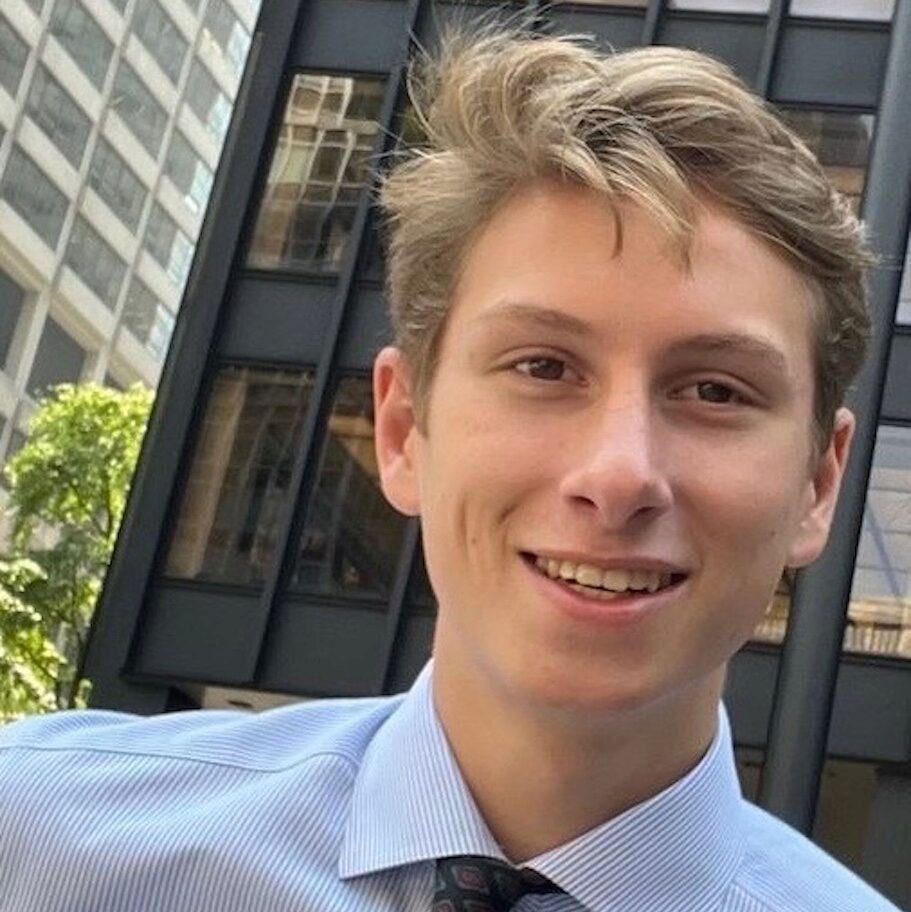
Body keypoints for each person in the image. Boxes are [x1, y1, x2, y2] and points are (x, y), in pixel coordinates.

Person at [0, 26, 900, 912]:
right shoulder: (35, 837)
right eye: (542, 367)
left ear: (817, 485)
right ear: (402, 429)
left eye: (714, 390)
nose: (619, 474)